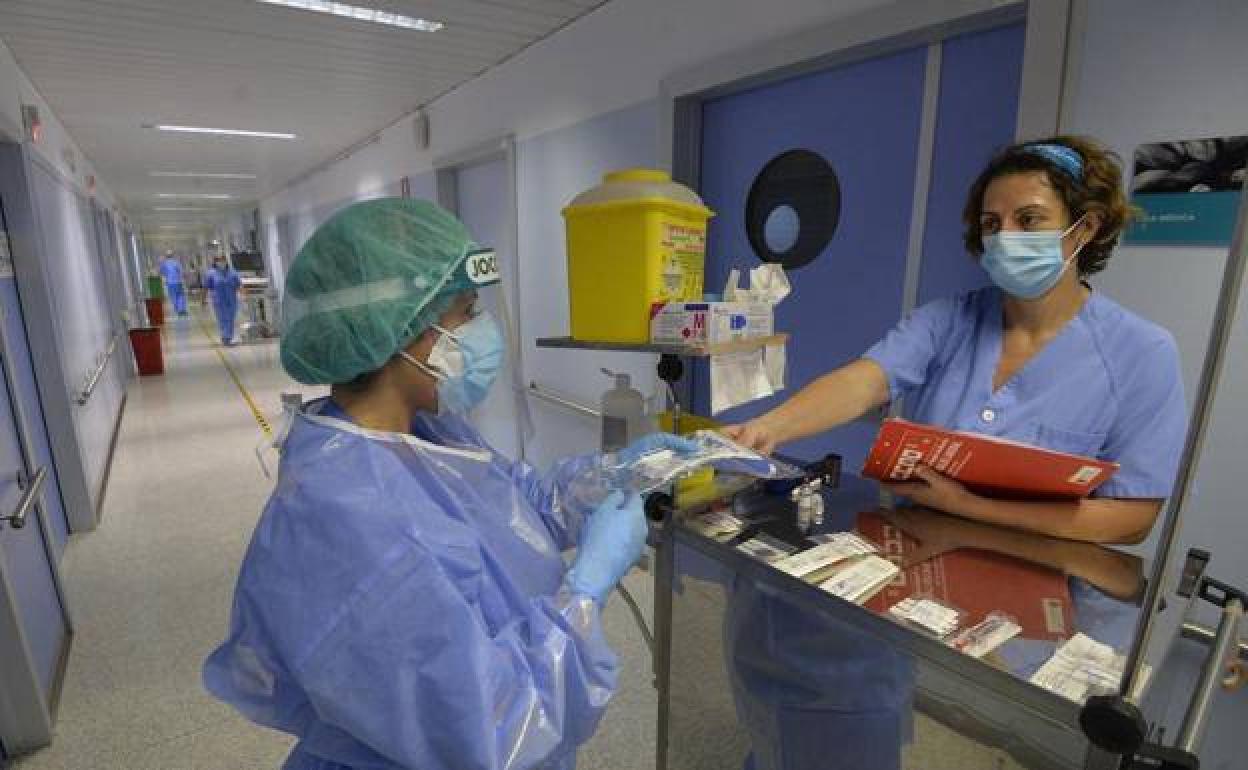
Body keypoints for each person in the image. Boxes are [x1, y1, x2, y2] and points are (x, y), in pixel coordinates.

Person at [203, 198, 697, 770]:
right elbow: (492, 728)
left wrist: (616, 474)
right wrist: (585, 591)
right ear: (406, 333)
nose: (483, 330)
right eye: (467, 311)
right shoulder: (345, 515)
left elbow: (519, 505)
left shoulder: (426, 432)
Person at [726, 136, 1187, 545]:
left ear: (1084, 229)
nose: (1006, 238)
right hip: (917, 559)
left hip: (1042, 587)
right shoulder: (949, 320)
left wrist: (968, 506)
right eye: (992, 224)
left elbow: (1131, 519)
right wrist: (767, 428)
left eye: (1029, 220)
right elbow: (864, 382)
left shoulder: (1142, 354)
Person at [203, 255, 241, 345]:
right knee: (222, 319)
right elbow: (206, 287)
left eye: (223, 260)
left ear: (226, 261)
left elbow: (238, 285)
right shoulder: (211, 273)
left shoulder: (232, 273)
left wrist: (243, 295)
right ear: (215, 262)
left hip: (232, 300)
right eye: (219, 261)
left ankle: (227, 337)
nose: (221, 263)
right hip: (218, 301)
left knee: (231, 319)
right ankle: (226, 338)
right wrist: (203, 299)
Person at [159, 250, 188, 316]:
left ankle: (178, 310)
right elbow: (181, 272)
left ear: (166, 256)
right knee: (180, 296)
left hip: (170, 283)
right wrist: (183, 279)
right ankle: (182, 310)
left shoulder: (164, 264)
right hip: (178, 282)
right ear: (173, 255)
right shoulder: (176, 263)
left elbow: (161, 272)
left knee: (173, 296)